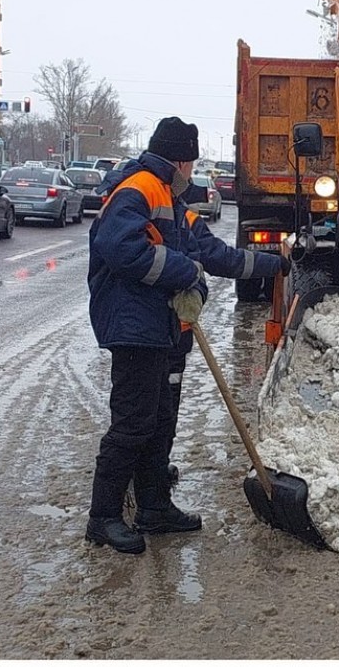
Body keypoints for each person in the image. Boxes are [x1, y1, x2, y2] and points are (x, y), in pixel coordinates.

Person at [85, 116, 210, 555]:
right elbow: (121, 249)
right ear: (180, 160)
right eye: (191, 164)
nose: (192, 172)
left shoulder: (167, 194)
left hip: (155, 324)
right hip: (133, 325)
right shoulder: (140, 187)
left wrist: (194, 281)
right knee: (133, 423)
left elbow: (184, 252)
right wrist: (183, 273)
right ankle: (103, 517)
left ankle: (154, 508)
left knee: (157, 420)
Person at [162, 183, 289, 488]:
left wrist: (273, 264)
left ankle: (154, 475)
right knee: (142, 412)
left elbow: (220, 256)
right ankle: (120, 501)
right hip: (149, 332)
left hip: (173, 332)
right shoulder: (145, 206)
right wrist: (187, 276)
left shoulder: (183, 216)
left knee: (166, 404)